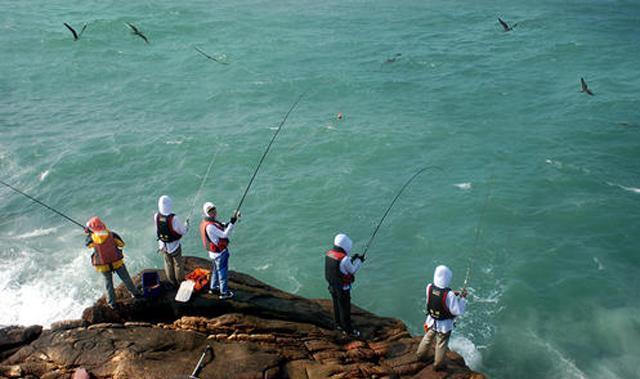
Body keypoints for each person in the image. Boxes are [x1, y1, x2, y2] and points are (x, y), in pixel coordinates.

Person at [416, 265, 468, 371]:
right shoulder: (449, 295)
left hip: (431, 321)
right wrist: (462, 299)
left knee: (427, 338)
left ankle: (420, 355)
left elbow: (438, 295)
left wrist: (452, 294)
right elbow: (457, 311)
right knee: (441, 344)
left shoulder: (429, 287)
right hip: (444, 325)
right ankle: (438, 365)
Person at [84, 216, 141, 308]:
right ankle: (135, 293)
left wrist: (90, 234)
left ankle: (112, 303)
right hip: (116, 262)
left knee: (108, 283)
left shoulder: (92, 238)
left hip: (103, 265)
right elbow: (122, 244)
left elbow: (88, 245)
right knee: (126, 279)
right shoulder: (112, 234)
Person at [325, 233, 364, 337]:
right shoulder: (344, 259)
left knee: (336, 306)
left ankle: (338, 324)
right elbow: (352, 270)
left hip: (332, 286)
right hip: (343, 288)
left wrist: (352, 258)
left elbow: (339, 267)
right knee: (344, 309)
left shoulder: (329, 253)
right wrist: (360, 261)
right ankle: (348, 330)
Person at [200, 202, 240, 299]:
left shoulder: (206, 222)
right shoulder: (210, 226)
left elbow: (221, 225)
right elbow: (224, 235)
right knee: (223, 272)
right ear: (206, 212)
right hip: (219, 253)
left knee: (215, 270)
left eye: (214, 209)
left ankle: (213, 288)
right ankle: (224, 293)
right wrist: (232, 223)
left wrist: (230, 221)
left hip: (212, 253)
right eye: (210, 211)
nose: (213, 212)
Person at [155, 195, 189, 288]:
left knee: (168, 263)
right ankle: (180, 281)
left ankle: (171, 281)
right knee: (178, 264)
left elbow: (157, 229)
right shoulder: (174, 218)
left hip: (162, 245)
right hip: (174, 245)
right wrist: (186, 225)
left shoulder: (156, 216)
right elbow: (182, 231)